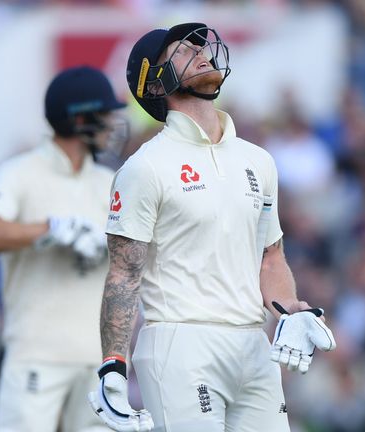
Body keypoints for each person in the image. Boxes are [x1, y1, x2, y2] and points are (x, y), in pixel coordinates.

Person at [88, 23, 337, 432]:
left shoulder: (258, 160)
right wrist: (113, 365)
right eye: (182, 51)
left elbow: (270, 257)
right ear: (156, 84)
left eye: (199, 47)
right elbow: (124, 273)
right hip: (180, 345)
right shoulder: (144, 168)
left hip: (254, 345)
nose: (201, 52)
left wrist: (291, 310)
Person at [0, 65, 125, 432]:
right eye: (104, 115)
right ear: (80, 119)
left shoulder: (110, 181)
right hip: (38, 354)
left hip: (100, 360)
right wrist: (51, 229)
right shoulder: (20, 172)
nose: (112, 125)